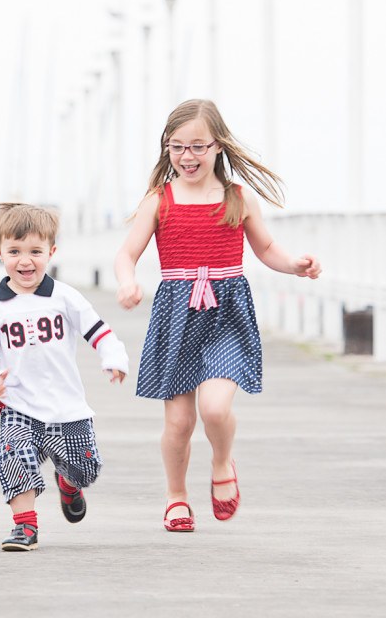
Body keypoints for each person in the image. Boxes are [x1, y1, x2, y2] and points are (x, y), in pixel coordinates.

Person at [114, 99, 321, 533]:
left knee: (213, 408)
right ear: (166, 149)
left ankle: (222, 460)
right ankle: (176, 496)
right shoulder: (159, 200)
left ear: (218, 146)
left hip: (226, 315)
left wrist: (295, 265)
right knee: (179, 421)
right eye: (177, 147)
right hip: (176, 317)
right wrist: (127, 281)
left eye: (197, 147)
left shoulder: (237, 198)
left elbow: (265, 249)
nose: (187, 157)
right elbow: (127, 254)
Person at [0, 203, 128, 551]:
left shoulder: (64, 297)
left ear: (51, 252)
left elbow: (97, 330)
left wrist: (112, 357)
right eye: (14, 252)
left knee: (86, 467)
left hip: (65, 405)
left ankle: (69, 483)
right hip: (18, 403)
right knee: (14, 457)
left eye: (35, 252)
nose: (25, 261)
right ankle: (25, 527)